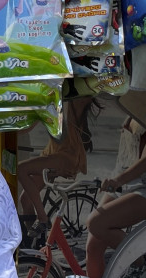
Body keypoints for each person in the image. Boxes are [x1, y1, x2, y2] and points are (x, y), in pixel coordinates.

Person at [84, 116, 146, 278]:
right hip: (123, 183)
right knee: (93, 244)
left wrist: (117, 180)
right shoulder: (133, 110)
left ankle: (140, 265)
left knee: (96, 223)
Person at [17, 96, 95, 248]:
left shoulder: (72, 101)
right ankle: (35, 242)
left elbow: (87, 93)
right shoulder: (47, 102)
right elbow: (27, 126)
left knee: (21, 169)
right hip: (51, 154)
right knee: (25, 199)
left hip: (65, 156)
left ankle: (43, 219)